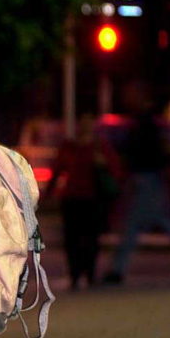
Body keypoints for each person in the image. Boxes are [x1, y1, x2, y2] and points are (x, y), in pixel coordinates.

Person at [104, 81, 170, 284]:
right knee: (160, 223)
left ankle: (117, 269)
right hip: (148, 179)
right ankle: (117, 269)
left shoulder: (144, 124)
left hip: (147, 179)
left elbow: (146, 152)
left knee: (139, 224)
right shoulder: (145, 122)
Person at [45, 114, 120, 290]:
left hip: (92, 199)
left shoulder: (100, 147)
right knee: (72, 238)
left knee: (91, 238)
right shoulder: (70, 146)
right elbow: (57, 169)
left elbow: (115, 170)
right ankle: (75, 274)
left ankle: (89, 273)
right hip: (72, 198)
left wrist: (102, 164)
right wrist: (48, 193)